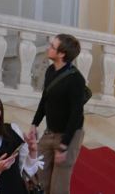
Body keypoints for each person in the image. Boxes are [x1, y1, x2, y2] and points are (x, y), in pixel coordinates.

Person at [32, 33, 88, 194]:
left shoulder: (76, 79)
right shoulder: (50, 70)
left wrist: (64, 145)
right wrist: (34, 124)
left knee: (58, 187)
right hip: (49, 133)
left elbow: (76, 114)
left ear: (62, 54)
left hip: (69, 137)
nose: (49, 48)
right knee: (38, 179)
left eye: (52, 46)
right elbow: (45, 99)